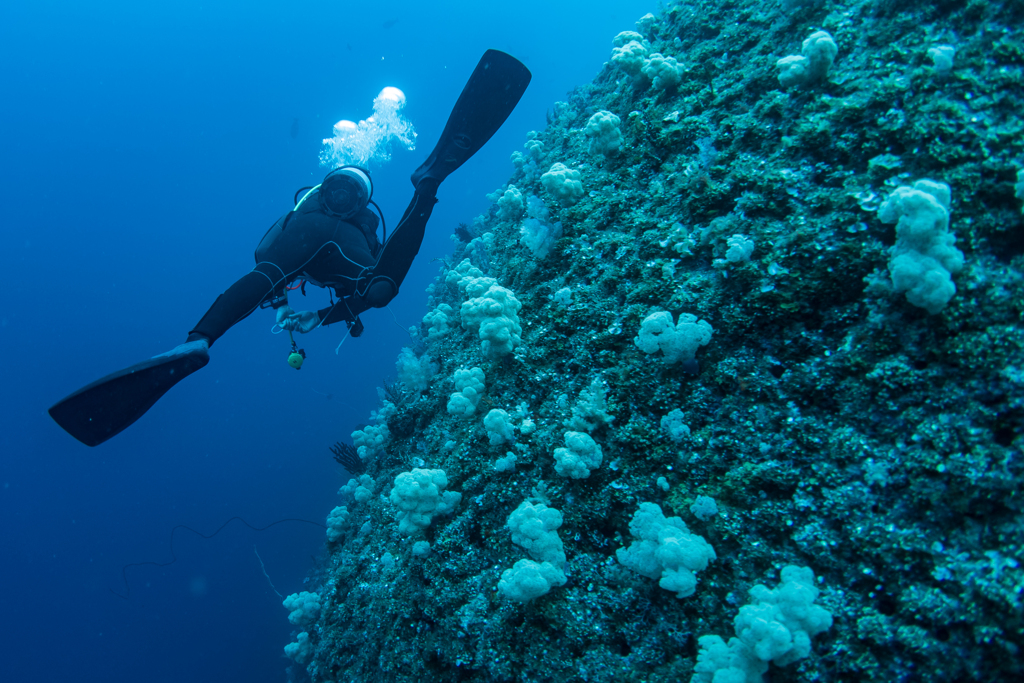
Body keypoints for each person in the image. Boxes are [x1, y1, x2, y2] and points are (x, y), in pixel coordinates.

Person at [49, 50, 531, 447]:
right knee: (379, 289)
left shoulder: (308, 222)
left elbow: (267, 275)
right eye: (337, 191)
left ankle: (198, 339)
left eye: (348, 194)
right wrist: (314, 317)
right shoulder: (344, 230)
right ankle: (428, 185)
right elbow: (355, 291)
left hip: (314, 249)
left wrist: (228, 325)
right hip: (343, 258)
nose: (340, 198)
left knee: (286, 275)